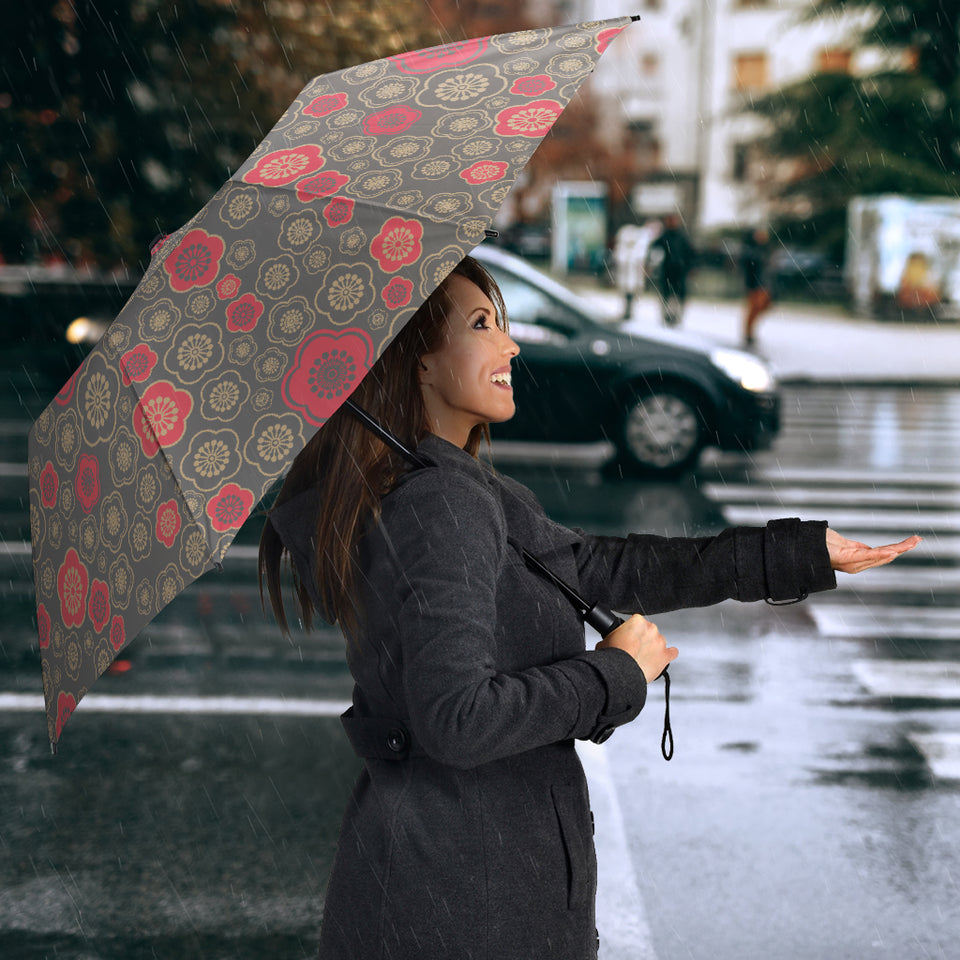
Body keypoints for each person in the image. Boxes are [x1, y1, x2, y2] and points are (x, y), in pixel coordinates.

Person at [259, 255, 919, 960]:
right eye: (482, 325)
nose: (510, 345)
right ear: (417, 362)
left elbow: (603, 568)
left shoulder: (452, 489)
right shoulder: (439, 504)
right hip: (466, 902)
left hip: (455, 883)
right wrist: (613, 674)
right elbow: (456, 719)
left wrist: (795, 553)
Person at [648, 213, 695, 326]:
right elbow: (654, 249)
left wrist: (690, 268)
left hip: (679, 271)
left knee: (677, 295)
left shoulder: (681, 237)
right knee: (667, 294)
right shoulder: (665, 236)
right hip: (668, 270)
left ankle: (675, 316)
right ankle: (667, 315)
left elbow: (690, 253)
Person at [741, 226, 773, 347]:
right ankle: (748, 333)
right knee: (754, 308)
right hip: (755, 284)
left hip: (763, 283)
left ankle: (750, 331)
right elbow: (750, 265)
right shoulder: (751, 250)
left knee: (762, 306)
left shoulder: (763, 249)